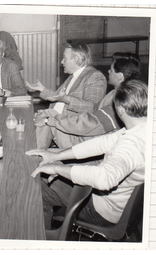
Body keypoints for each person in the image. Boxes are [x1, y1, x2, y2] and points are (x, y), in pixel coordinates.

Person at [26, 79, 147, 230]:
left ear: (120, 109)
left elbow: (104, 179)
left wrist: (57, 169)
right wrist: (55, 157)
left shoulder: (131, 145)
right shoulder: (141, 130)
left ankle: (41, 240)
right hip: (117, 205)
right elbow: (99, 144)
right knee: (54, 171)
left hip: (102, 211)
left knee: (37, 187)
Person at [33, 52, 142, 149]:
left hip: (91, 144)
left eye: (111, 69)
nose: (108, 71)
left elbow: (90, 123)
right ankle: (38, 153)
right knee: (48, 115)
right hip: (93, 137)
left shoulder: (120, 99)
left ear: (119, 76)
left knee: (48, 115)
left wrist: (49, 120)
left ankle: (35, 157)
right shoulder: (125, 93)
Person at [26, 42, 107, 149]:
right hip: (60, 124)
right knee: (40, 116)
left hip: (75, 134)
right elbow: (60, 97)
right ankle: (35, 151)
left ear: (76, 59)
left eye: (65, 58)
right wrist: (42, 89)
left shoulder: (94, 76)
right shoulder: (73, 76)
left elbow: (92, 108)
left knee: (46, 115)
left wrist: (65, 99)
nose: (62, 62)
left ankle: (35, 153)